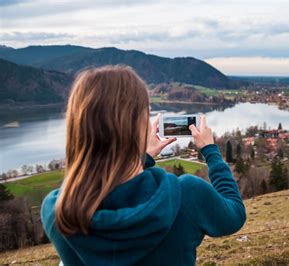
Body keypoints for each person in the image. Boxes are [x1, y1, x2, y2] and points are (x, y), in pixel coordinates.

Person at [41, 65, 246, 265]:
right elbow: (235, 213)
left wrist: (142, 157)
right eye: (146, 114)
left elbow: (117, 189)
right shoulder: (186, 196)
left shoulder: (57, 212)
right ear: (136, 125)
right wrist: (210, 151)